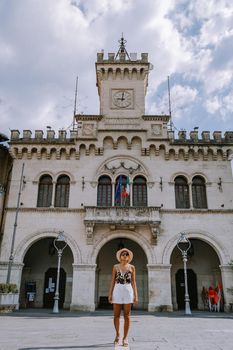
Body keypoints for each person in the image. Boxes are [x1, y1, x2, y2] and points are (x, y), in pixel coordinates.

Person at [108, 248, 138, 347]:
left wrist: (135, 295)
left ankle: (125, 337)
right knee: (116, 315)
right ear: (120, 256)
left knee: (127, 315)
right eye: (123, 254)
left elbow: (134, 282)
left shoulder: (132, 267)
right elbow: (112, 281)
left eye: (126, 254)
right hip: (117, 290)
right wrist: (110, 293)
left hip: (128, 290)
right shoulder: (115, 267)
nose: (124, 255)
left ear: (129, 257)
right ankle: (117, 334)